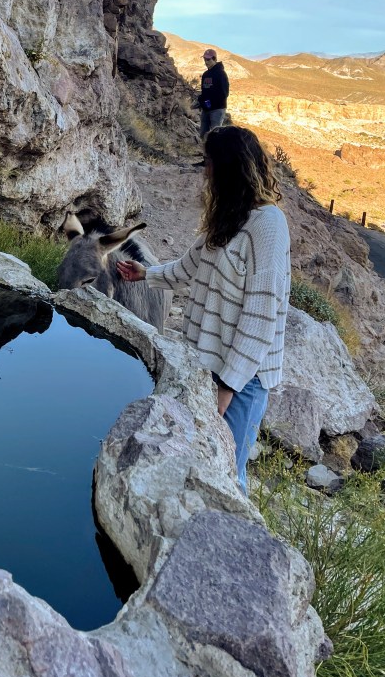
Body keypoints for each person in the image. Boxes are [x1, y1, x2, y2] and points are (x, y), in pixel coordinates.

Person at [117, 125, 291, 494]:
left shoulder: (269, 225)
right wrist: (145, 274)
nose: (205, 171)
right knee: (197, 461)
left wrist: (228, 386)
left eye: (209, 162)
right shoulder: (228, 216)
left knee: (227, 476)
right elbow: (188, 267)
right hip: (206, 364)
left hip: (243, 379)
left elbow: (262, 315)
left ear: (230, 168)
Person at [198, 48, 229, 139]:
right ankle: (203, 148)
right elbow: (204, 91)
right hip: (206, 109)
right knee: (203, 134)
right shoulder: (205, 74)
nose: (206, 62)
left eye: (208, 59)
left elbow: (224, 93)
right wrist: (202, 101)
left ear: (214, 59)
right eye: (205, 59)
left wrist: (211, 103)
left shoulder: (221, 74)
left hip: (217, 109)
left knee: (215, 136)